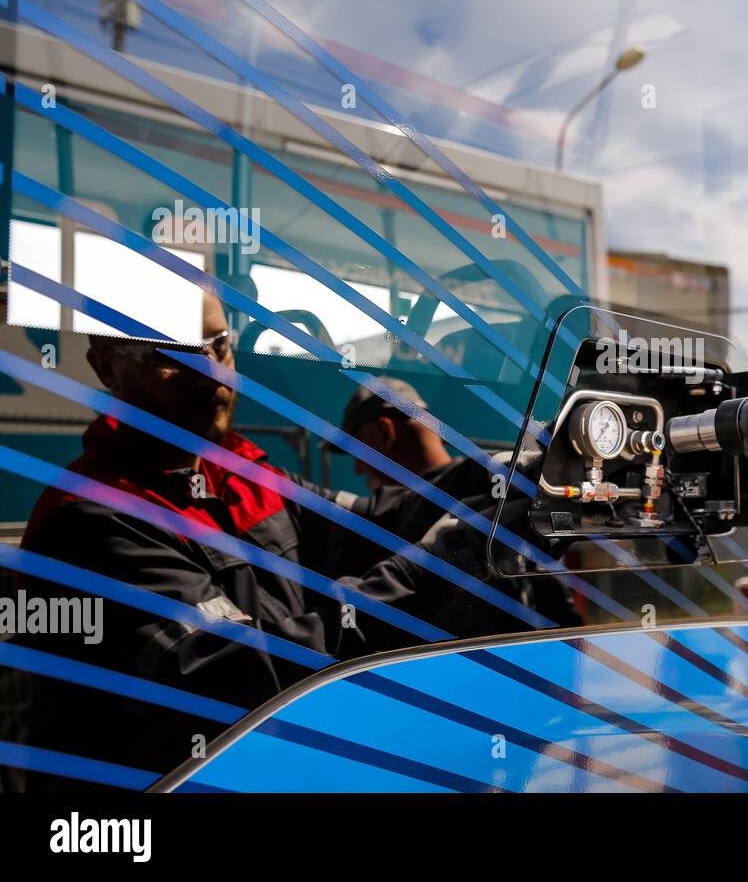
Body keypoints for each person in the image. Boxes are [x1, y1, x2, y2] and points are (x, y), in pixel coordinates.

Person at [17, 296, 553, 787]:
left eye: (219, 344)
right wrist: (449, 559)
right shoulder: (89, 522)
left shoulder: (243, 477)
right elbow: (248, 673)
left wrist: (507, 475)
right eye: (171, 353)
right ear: (106, 365)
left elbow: (377, 520)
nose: (211, 373)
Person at [332, 377, 579, 627]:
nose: (356, 469)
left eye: (357, 451)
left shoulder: (471, 488)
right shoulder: (496, 493)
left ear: (386, 432)